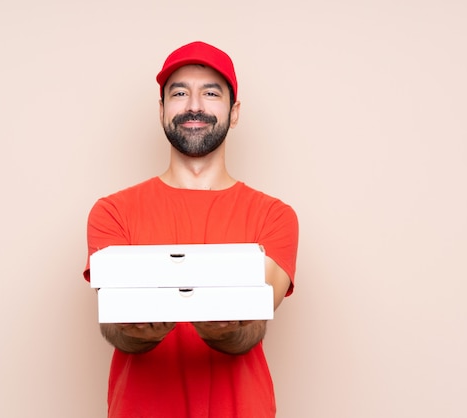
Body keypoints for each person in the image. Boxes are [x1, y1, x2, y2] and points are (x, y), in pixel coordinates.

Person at [83, 41, 299, 418]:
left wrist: (222, 327)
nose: (194, 105)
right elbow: (117, 328)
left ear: (234, 113)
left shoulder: (274, 216)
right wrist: (141, 330)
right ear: (162, 110)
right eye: (179, 93)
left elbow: (250, 328)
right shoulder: (112, 212)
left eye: (210, 93)